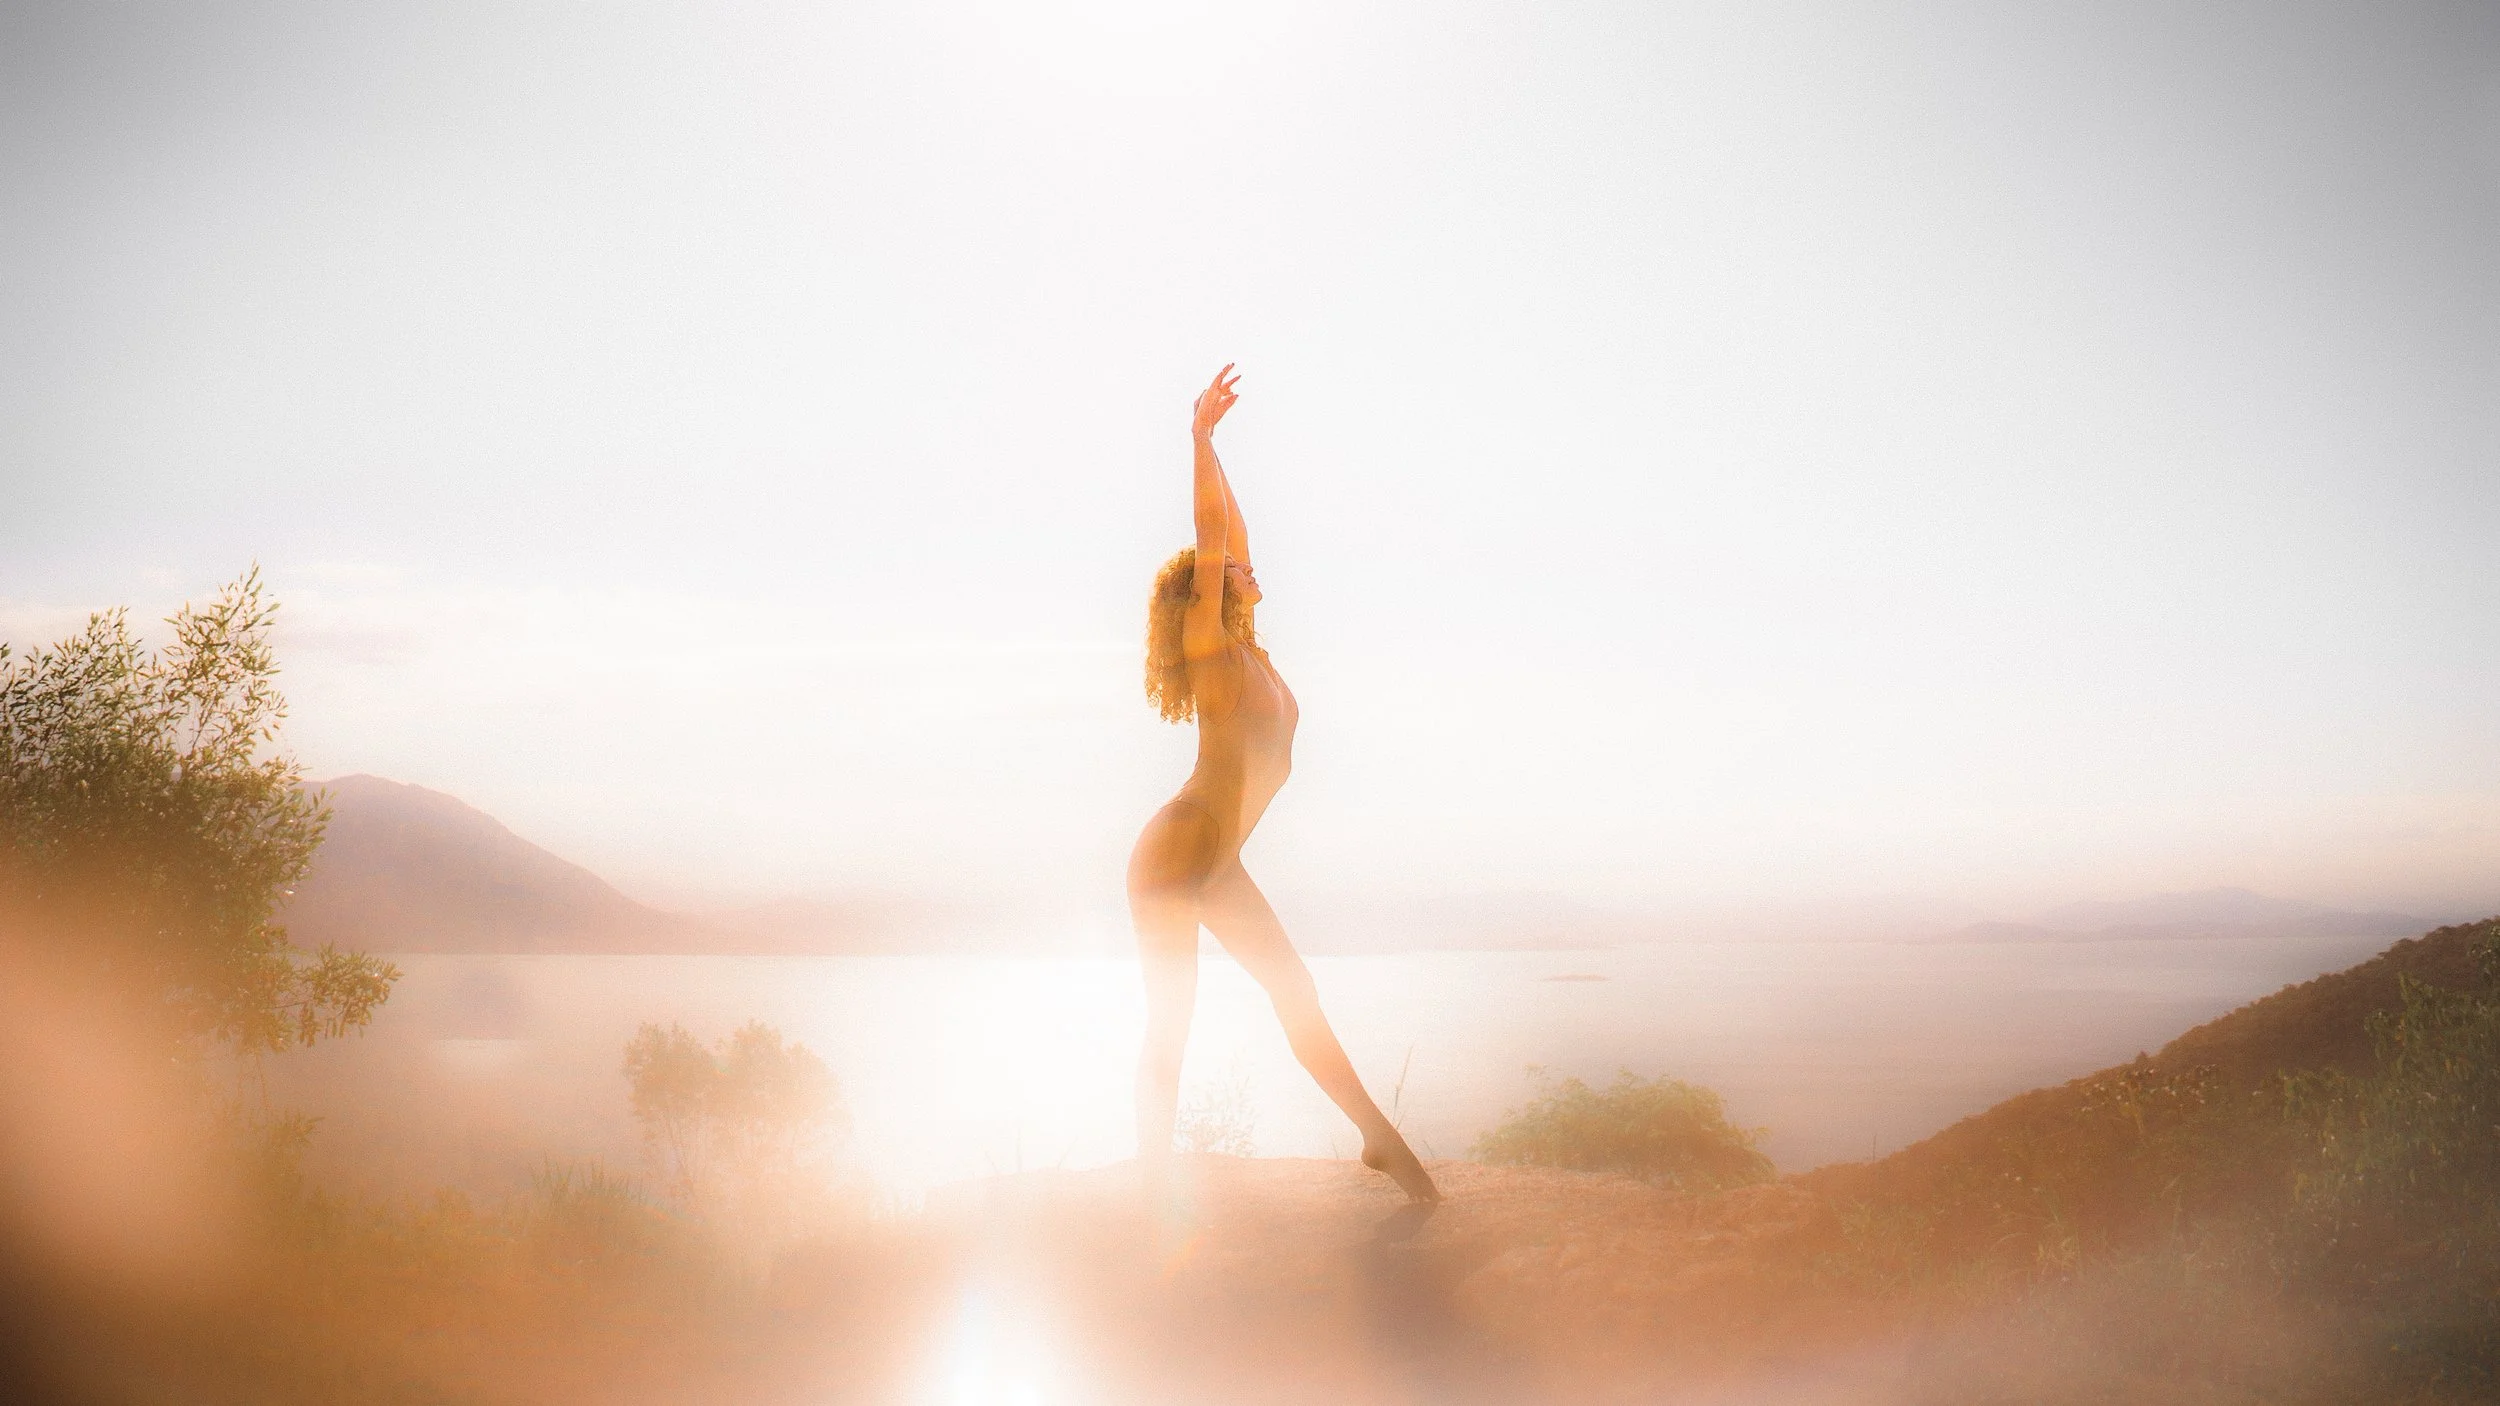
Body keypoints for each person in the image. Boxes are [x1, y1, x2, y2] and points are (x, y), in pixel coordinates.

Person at [1127, 365, 1441, 1204]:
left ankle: (1379, 1141)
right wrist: (1194, 440)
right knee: (1174, 1022)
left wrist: (1219, 446)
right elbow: (1212, 535)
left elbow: (1231, 535)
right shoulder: (1212, 659)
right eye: (1227, 571)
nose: (1243, 569)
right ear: (1205, 593)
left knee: (1293, 990)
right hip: (1173, 856)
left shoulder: (1251, 653)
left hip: (1217, 859)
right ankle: (1150, 1184)